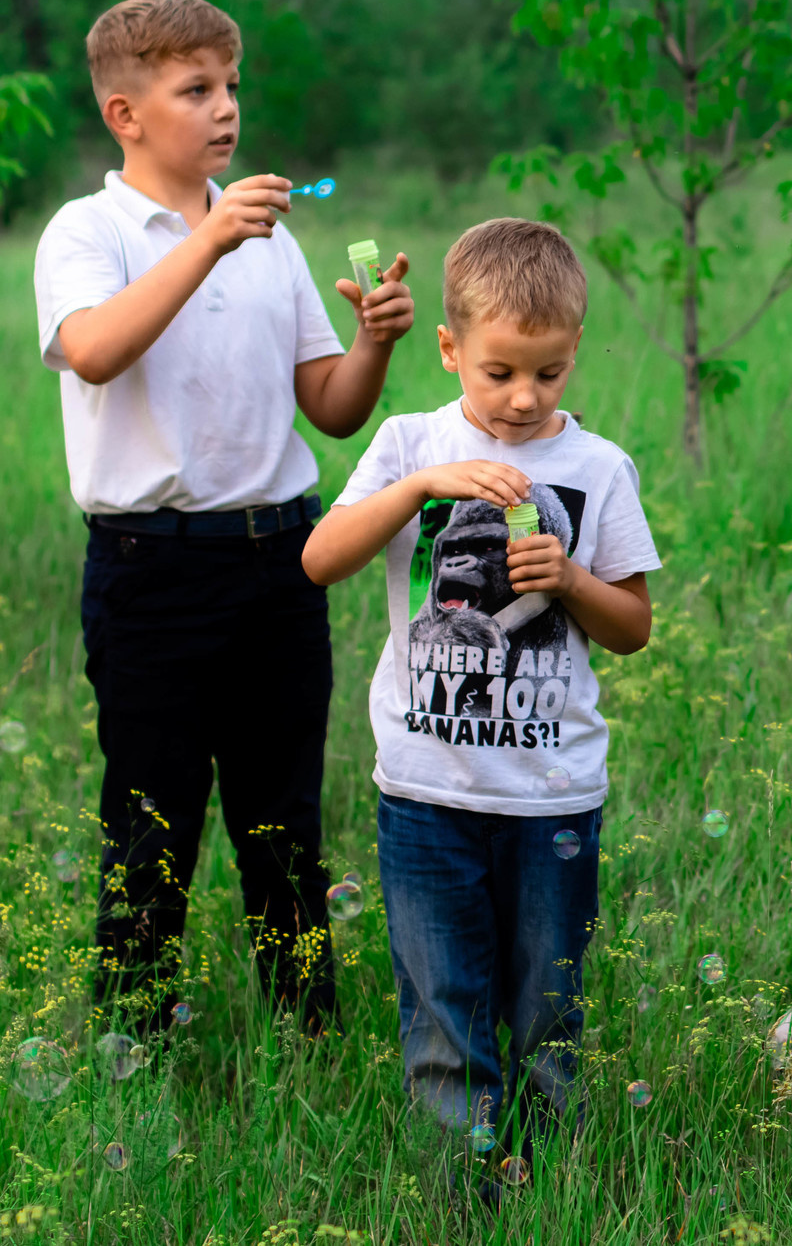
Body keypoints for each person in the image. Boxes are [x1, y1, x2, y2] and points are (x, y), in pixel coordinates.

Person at [33, 0, 415, 1033]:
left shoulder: (273, 242)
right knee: (151, 821)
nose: (225, 109)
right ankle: (135, 1037)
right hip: (151, 569)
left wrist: (374, 340)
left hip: (280, 561)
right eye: (195, 89)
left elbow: (331, 410)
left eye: (231, 86)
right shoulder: (90, 231)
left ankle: (307, 1032)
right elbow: (97, 347)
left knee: (282, 821)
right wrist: (209, 241)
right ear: (126, 112)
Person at [303, 217, 658, 1159]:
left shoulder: (598, 469)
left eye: (548, 372)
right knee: (443, 1012)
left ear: (575, 348)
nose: (523, 396)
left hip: (552, 797)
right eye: (498, 371)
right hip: (425, 795)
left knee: (546, 1009)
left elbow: (632, 626)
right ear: (451, 348)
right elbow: (319, 558)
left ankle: (550, 1179)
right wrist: (421, 485)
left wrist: (570, 582)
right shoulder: (411, 441)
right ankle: (462, 1188)